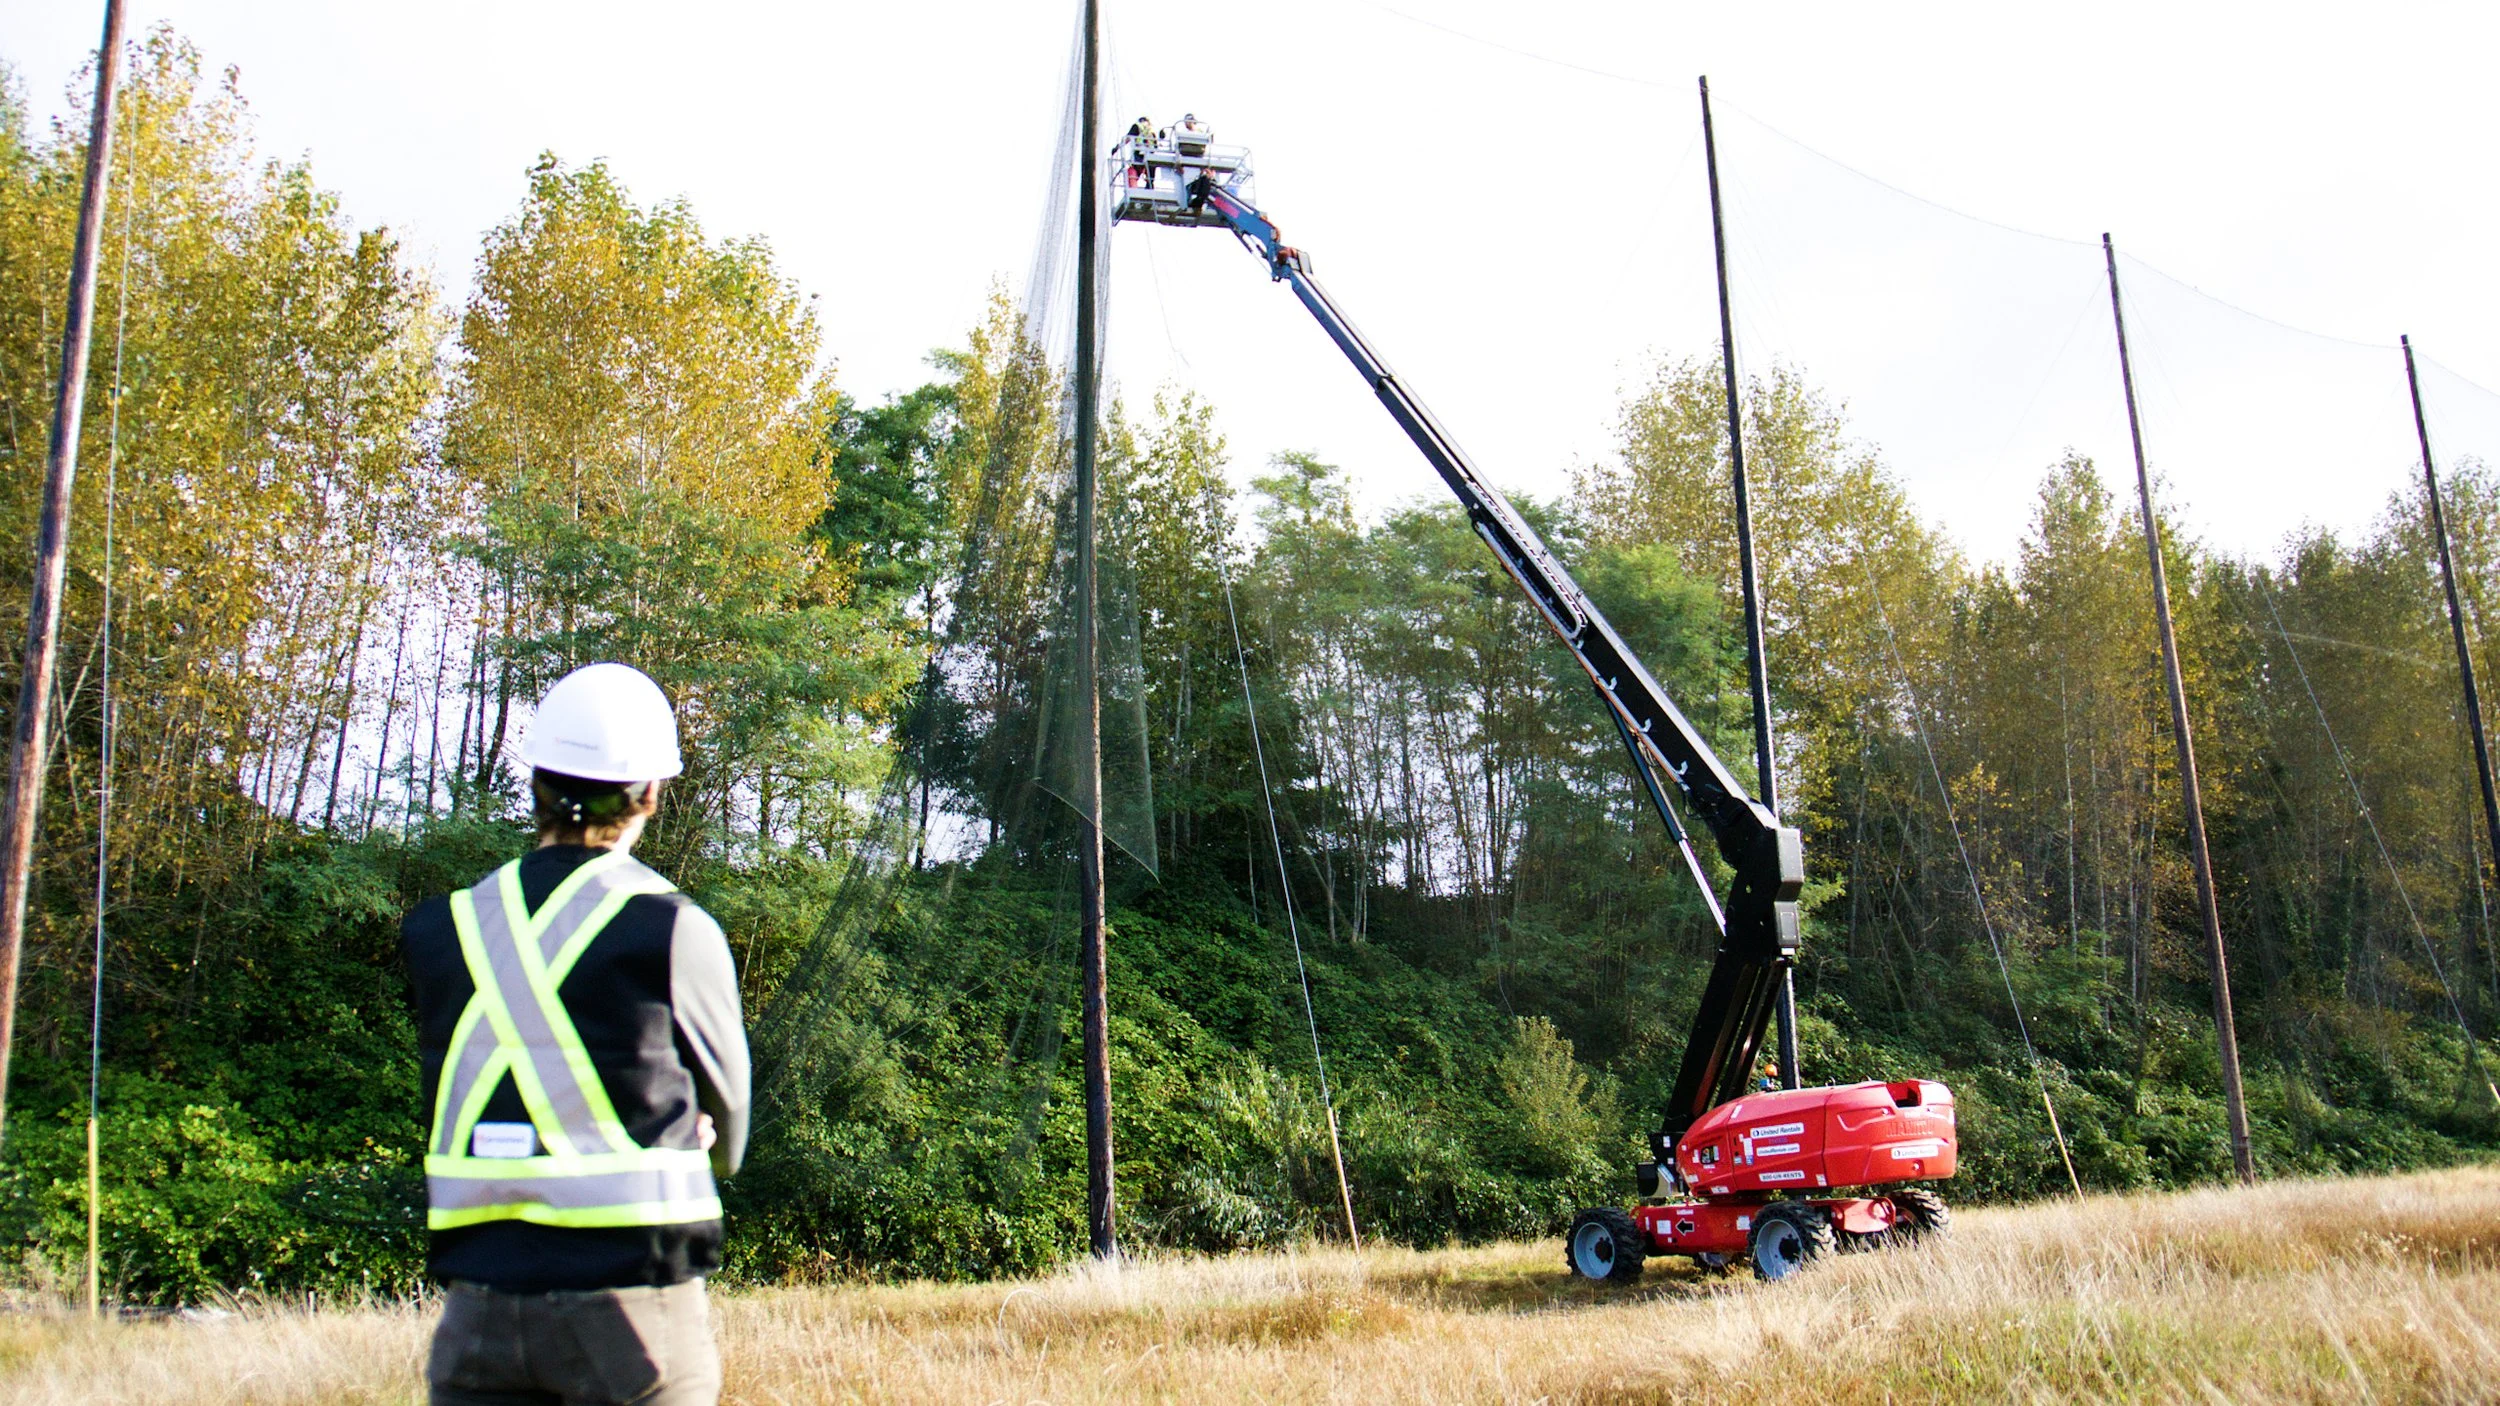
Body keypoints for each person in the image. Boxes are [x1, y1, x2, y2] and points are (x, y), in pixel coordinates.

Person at [404, 662, 750, 1406]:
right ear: (652, 794)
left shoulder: (440, 928)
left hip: (477, 1316)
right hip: (635, 1315)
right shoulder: (674, 928)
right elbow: (732, 1134)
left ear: (533, 783)